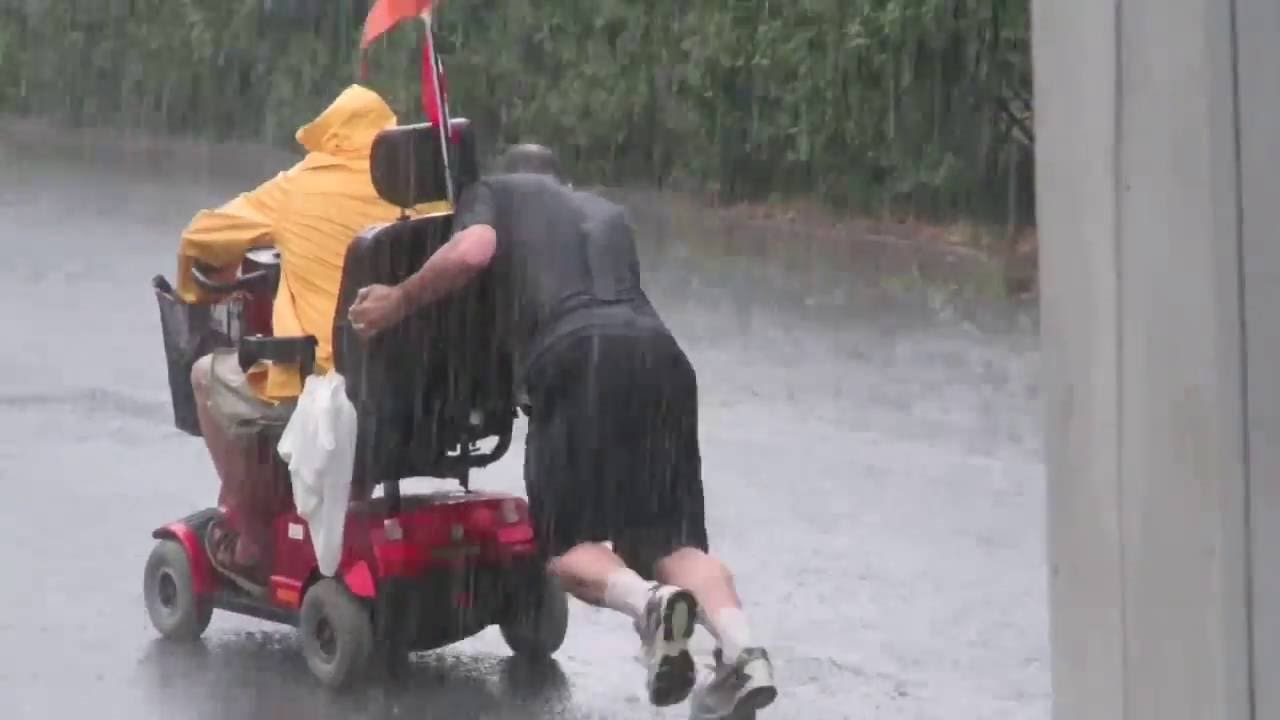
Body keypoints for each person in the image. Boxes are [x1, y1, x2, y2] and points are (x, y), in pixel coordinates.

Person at [347, 144, 778, 718]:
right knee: (674, 543)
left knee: (568, 548)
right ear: (561, 182)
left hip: (577, 355)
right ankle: (742, 652)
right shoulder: (605, 212)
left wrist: (398, 301)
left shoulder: (493, 194)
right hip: (663, 358)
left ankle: (650, 605)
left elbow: (475, 251)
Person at [176, 84, 446, 594]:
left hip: (334, 377)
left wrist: (196, 290)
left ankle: (251, 533)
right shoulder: (424, 193)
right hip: (422, 381)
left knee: (206, 374)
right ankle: (348, 495)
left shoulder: (300, 186)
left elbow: (200, 237)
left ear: (329, 138)